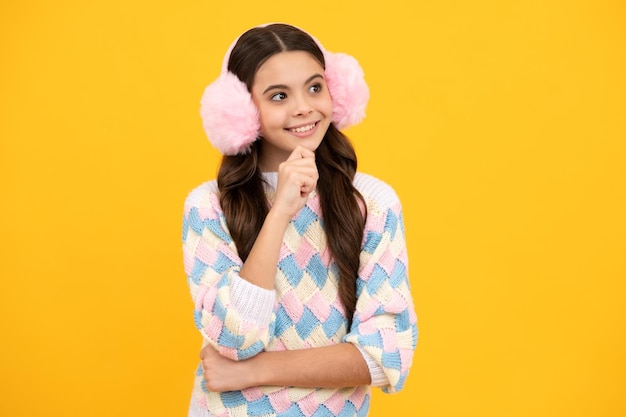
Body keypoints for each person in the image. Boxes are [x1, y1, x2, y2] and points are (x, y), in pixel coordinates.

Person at [182, 23, 417, 417]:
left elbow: (387, 356)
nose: (304, 107)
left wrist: (252, 372)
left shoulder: (372, 203)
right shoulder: (208, 206)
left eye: (314, 87)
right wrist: (280, 213)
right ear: (243, 113)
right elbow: (235, 339)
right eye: (278, 96)